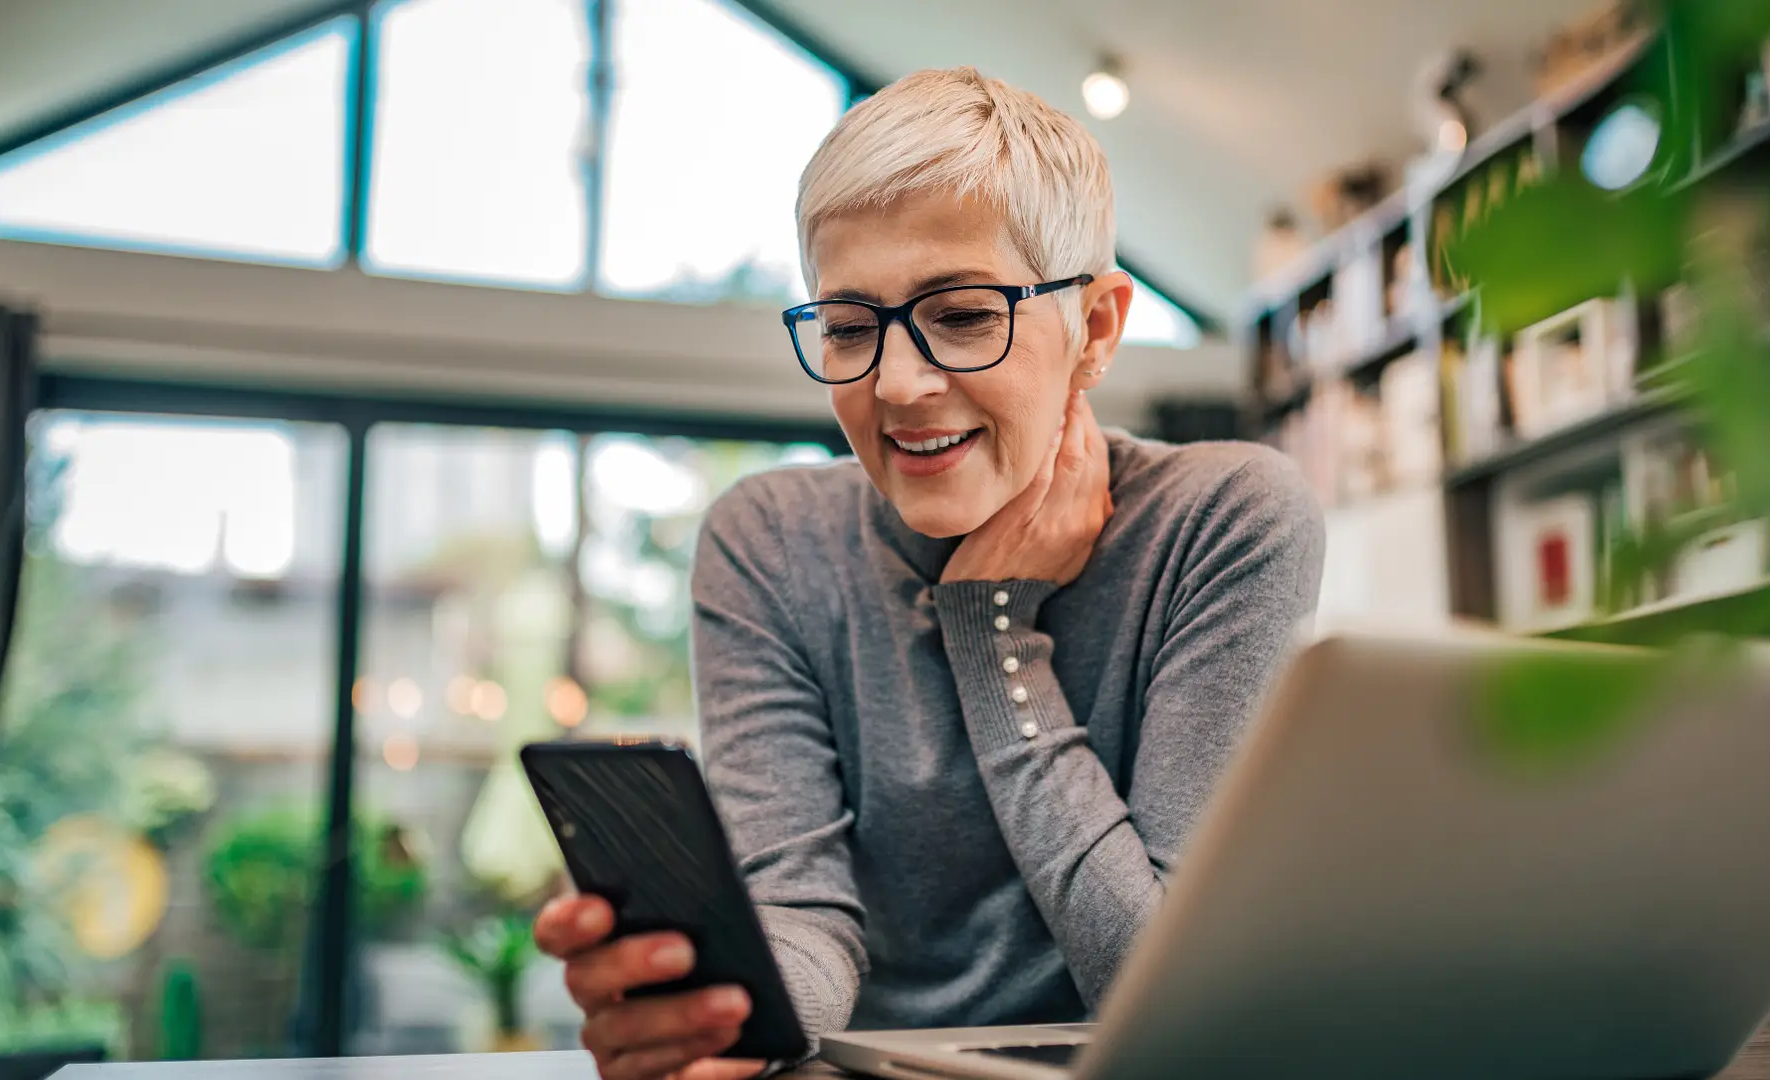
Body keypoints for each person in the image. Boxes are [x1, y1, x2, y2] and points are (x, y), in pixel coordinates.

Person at [533, 67, 1324, 1080]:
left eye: (960, 314)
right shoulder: (770, 543)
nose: (898, 385)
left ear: (1096, 329)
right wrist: (726, 1013)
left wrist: (991, 628)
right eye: (850, 328)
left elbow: (1163, 988)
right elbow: (805, 917)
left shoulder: (1225, 522)